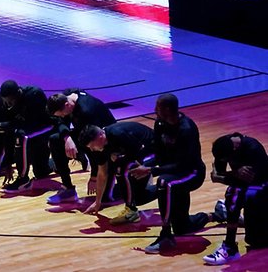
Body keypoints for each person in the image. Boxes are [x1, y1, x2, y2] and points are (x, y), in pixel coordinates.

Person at [130, 94, 209, 254]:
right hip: (173, 172)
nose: (154, 110)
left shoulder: (186, 129)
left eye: (157, 107)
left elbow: (184, 164)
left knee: (164, 183)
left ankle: (165, 235)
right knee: (182, 226)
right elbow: (158, 153)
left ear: (167, 109)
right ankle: (217, 214)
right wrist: (143, 164)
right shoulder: (160, 123)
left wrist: (152, 170)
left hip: (192, 172)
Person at [203, 133, 268, 265]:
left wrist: (222, 177)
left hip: (263, 187)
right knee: (234, 192)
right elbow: (220, 172)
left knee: (234, 192)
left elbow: (248, 179)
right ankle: (230, 246)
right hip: (249, 188)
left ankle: (230, 243)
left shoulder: (253, 148)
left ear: (234, 150)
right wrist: (233, 174)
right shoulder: (223, 146)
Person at [45, 88, 116, 204]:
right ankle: (68, 188)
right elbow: (61, 122)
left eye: (62, 113)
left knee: (105, 198)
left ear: (67, 105)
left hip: (107, 143)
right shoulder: (68, 96)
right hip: (85, 134)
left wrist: (94, 176)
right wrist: (67, 138)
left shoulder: (86, 111)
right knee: (55, 140)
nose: (62, 116)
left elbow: (95, 147)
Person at [79, 122, 156, 224]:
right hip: (138, 155)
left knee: (120, 167)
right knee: (139, 198)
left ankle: (131, 212)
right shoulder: (100, 148)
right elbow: (102, 173)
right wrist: (98, 202)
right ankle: (168, 188)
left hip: (154, 149)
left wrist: (142, 168)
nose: (92, 149)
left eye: (92, 145)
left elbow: (138, 151)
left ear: (100, 137)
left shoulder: (118, 134)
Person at [0, 80, 53, 192]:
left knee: (21, 136)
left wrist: (3, 125)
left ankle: (23, 179)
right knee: (41, 172)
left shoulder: (34, 95)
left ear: (18, 93)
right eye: (6, 101)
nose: (9, 104)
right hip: (29, 130)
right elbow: (9, 132)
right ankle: (66, 157)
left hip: (44, 128)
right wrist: (8, 163)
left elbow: (30, 124)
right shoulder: (6, 104)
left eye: (11, 101)